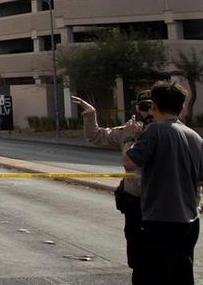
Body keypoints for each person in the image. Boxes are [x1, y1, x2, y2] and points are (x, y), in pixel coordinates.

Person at [123, 81, 203, 285]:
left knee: (153, 276)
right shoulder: (197, 138)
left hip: (160, 220)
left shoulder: (153, 132)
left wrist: (129, 138)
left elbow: (129, 163)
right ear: (182, 108)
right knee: (182, 275)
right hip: (190, 220)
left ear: (153, 107)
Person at [71, 91, 151, 271]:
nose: (147, 113)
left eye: (151, 107)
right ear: (137, 109)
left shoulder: (163, 133)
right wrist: (91, 115)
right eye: (143, 108)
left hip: (159, 203)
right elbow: (96, 136)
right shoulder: (126, 132)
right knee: (137, 259)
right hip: (134, 201)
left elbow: (131, 163)